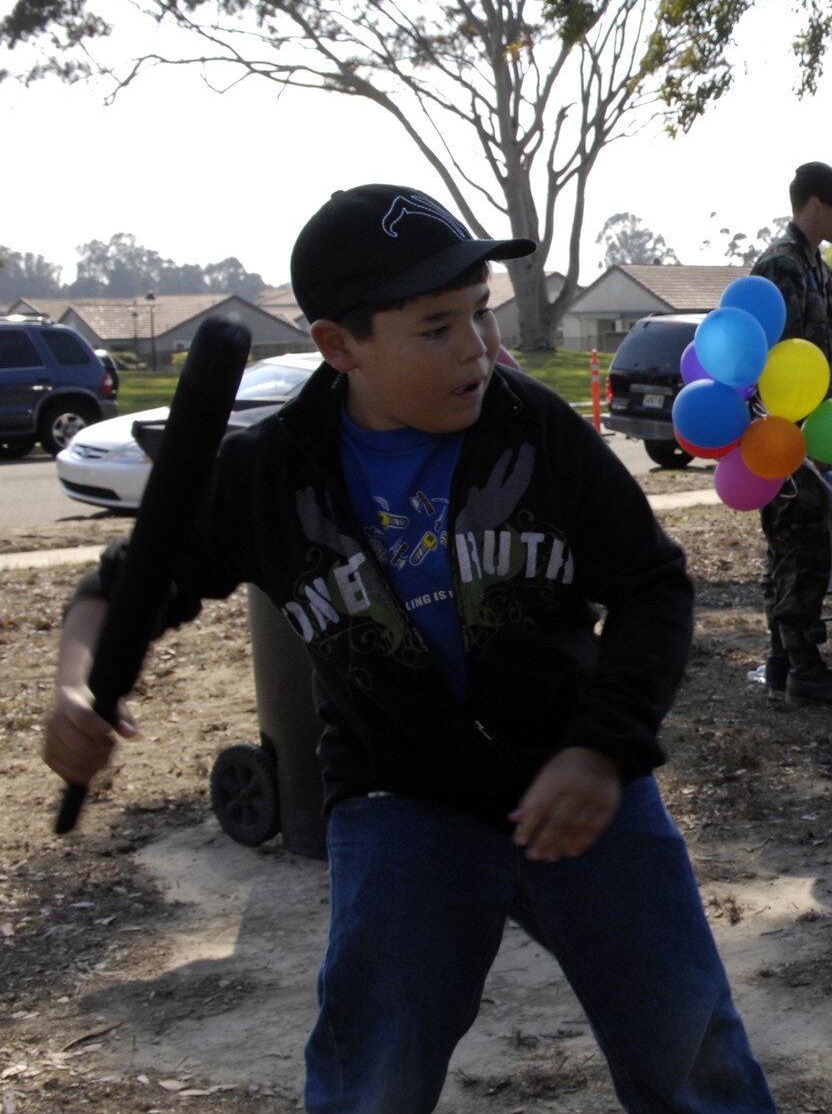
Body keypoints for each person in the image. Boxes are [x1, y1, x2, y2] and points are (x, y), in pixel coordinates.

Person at [41, 185, 776, 1113]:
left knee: (692, 1055)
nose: (477, 347)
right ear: (339, 347)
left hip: (583, 778)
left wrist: (602, 746)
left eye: (482, 313)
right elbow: (118, 591)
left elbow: (653, 585)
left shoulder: (535, 427)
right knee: (371, 1077)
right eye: (437, 327)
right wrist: (77, 690)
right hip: (402, 798)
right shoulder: (273, 477)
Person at [749, 161, 832, 708]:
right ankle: (804, 668)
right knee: (800, 548)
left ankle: (784, 660)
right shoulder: (781, 267)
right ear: (817, 204)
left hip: (815, 436)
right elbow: (773, 363)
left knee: (795, 546)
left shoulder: (817, 268)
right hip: (782, 437)